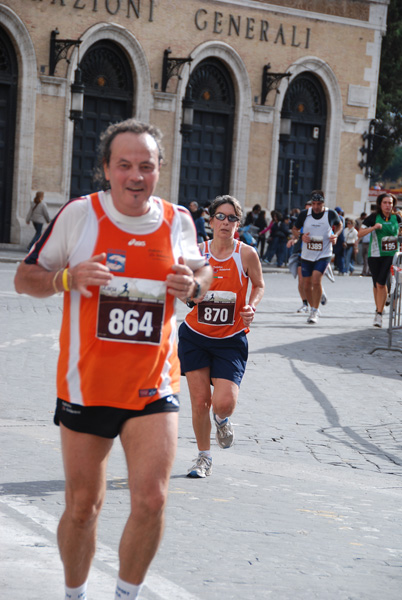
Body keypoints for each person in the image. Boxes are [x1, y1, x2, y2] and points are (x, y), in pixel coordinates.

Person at [14, 119, 213, 600]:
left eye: (146, 166)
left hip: (154, 385)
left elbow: (203, 268)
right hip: (89, 387)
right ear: (106, 169)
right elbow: (25, 278)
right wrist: (67, 278)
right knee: (84, 506)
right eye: (124, 165)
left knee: (152, 498)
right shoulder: (81, 216)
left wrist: (196, 285)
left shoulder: (178, 220)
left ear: (159, 169)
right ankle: (75, 593)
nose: (135, 176)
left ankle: (126, 594)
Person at [178, 195, 265, 478]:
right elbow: (181, 287)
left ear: (238, 224)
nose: (226, 222)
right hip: (195, 336)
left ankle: (222, 418)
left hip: (231, 339)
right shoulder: (197, 253)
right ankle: (204, 457)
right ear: (211, 220)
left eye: (232, 218)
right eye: (221, 216)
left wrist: (251, 306)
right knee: (200, 400)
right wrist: (191, 298)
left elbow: (259, 285)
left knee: (223, 402)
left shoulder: (246, 254)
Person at [292, 190, 342, 324]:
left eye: (319, 204)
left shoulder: (330, 213)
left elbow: (339, 225)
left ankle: (314, 310)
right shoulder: (304, 214)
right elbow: (295, 229)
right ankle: (311, 305)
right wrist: (301, 236)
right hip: (307, 254)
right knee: (306, 283)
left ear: (323, 204)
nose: (316, 206)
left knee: (316, 280)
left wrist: (335, 234)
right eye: (314, 204)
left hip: (324, 253)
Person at [358, 192, 402, 328]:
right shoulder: (373, 217)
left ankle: (379, 314)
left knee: (381, 283)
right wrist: (373, 228)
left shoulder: (397, 218)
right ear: (380, 204)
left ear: (393, 205)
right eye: (385, 203)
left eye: (390, 203)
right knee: (377, 285)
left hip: (391, 255)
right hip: (375, 255)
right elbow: (359, 233)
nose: (388, 205)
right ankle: (380, 307)